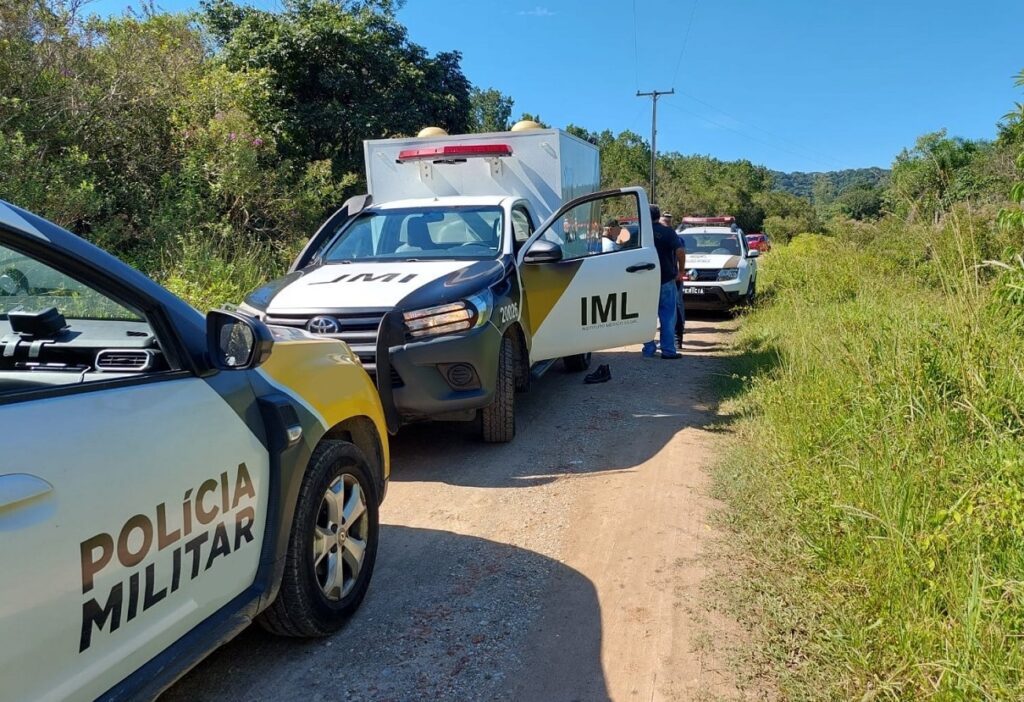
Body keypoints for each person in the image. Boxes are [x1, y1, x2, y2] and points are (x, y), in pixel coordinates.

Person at [642, 204, 686, 359]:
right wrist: (681, 271)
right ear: (658, 216)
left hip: (644, 281)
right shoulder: (668, 232)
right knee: (667, 315)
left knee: (646, 316)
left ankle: (648, 349)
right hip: (666, 279)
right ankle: (668, 351)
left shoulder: (640, 232)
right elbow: (680, 250)